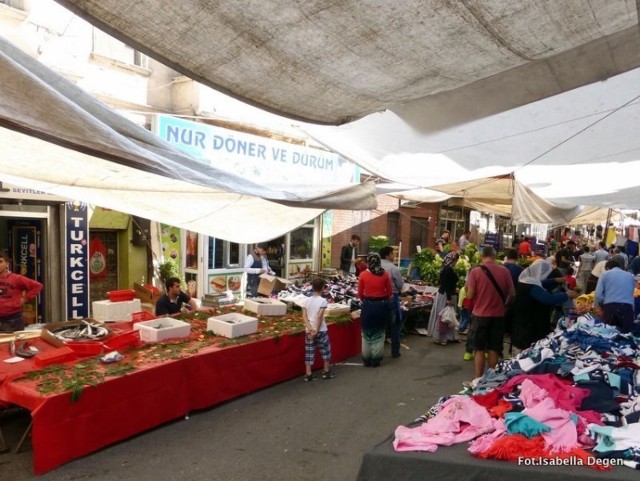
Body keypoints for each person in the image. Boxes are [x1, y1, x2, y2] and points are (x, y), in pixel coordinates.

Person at [465, 246, 515, 379]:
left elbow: (469, 296)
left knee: (479, 349)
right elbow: (513, 293)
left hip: (480, 315)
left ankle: (478, 379)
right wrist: (505, 304)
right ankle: (491, 380)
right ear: (494, 256)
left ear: (482, 256)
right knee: (494, 349)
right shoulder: (504, 271)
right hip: (498, 315)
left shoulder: (475, 272)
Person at [511, 260, 578, 353]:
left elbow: (541, 282)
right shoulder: (531, 286)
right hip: (528, 328)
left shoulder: (526, 279)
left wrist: (555, 280)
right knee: (527, 355)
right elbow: (548, 298)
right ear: (539, 271)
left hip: (525, 323)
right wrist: (566, 295)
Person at [357, 253, 393, 367]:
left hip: (367, 306)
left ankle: (366, 359)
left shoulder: (363, 275)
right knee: (379, 332)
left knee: (366, 333)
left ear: (368, 262)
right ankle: (375, 360)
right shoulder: (385, 275)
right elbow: (389, 292)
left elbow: (359, 294)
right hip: (381, 306)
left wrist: (366, 300)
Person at [302, 277, 335, 382]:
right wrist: (316, 330)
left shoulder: (306, 301)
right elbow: (319, 316)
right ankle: (326, 371)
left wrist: (310, 328)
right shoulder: (323, 301)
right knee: (325, 351)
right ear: (322, 288)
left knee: (309, 352)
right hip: (320, 330)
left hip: (308, 330)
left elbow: (304, 317)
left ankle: (308, 374)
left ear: (312, 288)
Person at [0, 251, 43, 332]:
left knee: (13, 343)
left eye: (0, 261)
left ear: (7, 263)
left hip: (12, 320)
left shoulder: (17, 279)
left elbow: (38, 286)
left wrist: (25, 299)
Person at [427, 252, 460, 345]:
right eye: (456, 260)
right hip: (446, 295)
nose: (456, 262)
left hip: (444, 294)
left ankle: (446, 337)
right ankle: (442, 338)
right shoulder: (448, 269)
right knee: (445, 317)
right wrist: (449, 298)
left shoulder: (445, 268)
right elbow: (447, 284)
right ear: (452, 260)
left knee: (446, 316)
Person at [595, 259, 635, 333]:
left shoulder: (604, 275)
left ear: (607, 268)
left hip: (610, 307)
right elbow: (632, 294)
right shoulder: (630, 276)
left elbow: (598, 296)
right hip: (627, 308)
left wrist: (602, 306)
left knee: (608, 334)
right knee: (627, 335)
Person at [380, 246, 404, 358]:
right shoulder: (393, 268)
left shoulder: (373, 267)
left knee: (379, 325)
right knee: (395, 325)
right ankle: (395, 351)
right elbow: (400, 285)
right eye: (392, 254)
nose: (393, 256)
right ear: (387, 255)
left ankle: (377, 351)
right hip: (391, 298)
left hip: (376, 299)